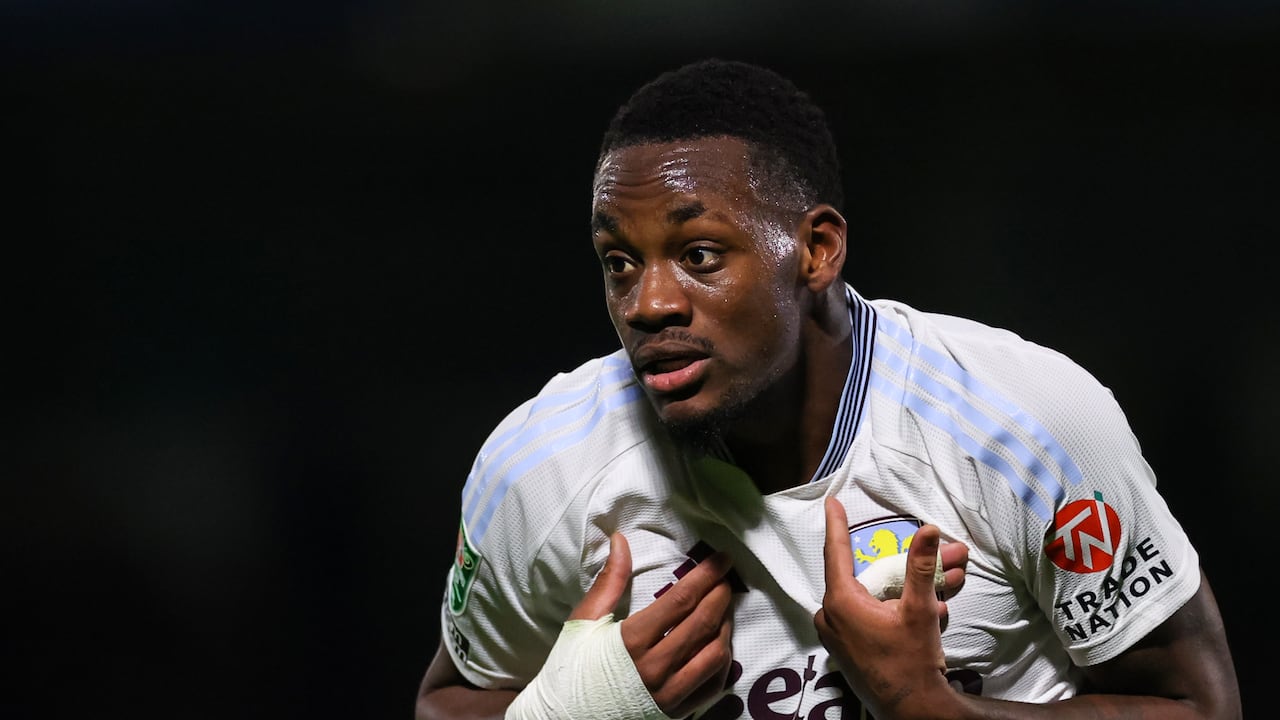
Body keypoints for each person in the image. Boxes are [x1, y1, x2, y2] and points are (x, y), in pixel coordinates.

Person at [414, 58, 1242, 719]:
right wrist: (576, 712)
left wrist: (932, 710)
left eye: (699, 255)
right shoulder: (540, 471)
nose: (647, 303)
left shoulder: (1027, 426)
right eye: (619, 262)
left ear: (816, 251)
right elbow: (448, 701)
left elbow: (1199, 705)